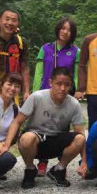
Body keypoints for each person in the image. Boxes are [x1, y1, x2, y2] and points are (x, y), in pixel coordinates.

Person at [0, 67, 86, 189]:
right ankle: (30, 169)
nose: (63, 88)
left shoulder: (74, 104)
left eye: (67, 85)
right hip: (35, 140)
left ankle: (59, 169)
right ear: (50, 83)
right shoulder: (37, 97)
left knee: (80, 139)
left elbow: (80, 133)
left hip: (56, 140)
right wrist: (7, 144)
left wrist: (84, 161)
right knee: (27, 138)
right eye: (59, 84)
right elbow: (17, 121)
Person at [32, 17, 80, 176]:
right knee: (42, 126)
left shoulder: (75, 51)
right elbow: (39, 72)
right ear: (58, 29)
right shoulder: (45, 48)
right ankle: (42, 161)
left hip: (64, 95)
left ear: (72, 33)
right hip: (45, 94)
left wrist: (76, 90)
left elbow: (76, 74)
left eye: (69, 30)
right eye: (63, 28)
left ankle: (61, 163)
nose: (65, 32)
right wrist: (35, 92)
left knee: (63, 128)